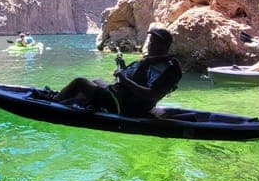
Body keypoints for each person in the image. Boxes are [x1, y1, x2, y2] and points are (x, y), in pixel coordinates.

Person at [52, 27, 182, 116]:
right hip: (121, 95)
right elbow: (134, 77)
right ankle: (88, 104)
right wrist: (123, 69)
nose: (150, 46)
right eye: (151, 42)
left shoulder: (170, 69)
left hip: (126, 106)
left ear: (165, 46)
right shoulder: (152, 61)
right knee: (96, 81)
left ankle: (54, 102)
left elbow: (150, 95)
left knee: (80, 82)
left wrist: (123, 78)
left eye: (154, 43)